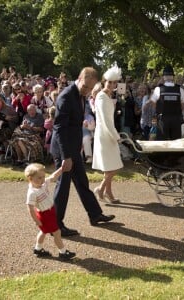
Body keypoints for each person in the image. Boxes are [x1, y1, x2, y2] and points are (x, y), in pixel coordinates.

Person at [50, 67, 115, 237]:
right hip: (64, 150)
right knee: (63, 188)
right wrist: (66, 157)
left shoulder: (80, 95)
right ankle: (56, 225)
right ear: (79, 78)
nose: (86, 91)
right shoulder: (66, 96)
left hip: (72, 148)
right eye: (85, 87)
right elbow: (59, 128)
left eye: (89, 88)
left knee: (82, 182)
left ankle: (95, 214)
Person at [24, 163, 76, 260]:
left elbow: (52, 177)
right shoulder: (32, 193)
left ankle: (38, 249)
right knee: (57, 232)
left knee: (43, 232)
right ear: (30, 178)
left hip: (50, 211)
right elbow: (30, 208)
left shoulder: (42, 184)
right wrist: (36, 221)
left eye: (43, 176)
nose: (42, 179)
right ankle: (63, 252)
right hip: (44, 215)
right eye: (39, 178)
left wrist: (61, 169)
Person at [92, 65, 123, 204]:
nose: (111, 84)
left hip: (107, 133)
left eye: (114, 82)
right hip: (105, 135)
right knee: (114, 166)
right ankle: (101, 189)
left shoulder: (107, 96)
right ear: (105, 81)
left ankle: (108, 192)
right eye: (109, 82)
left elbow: (108, 117)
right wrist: (116, 136)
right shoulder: (102, 96)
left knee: (110, 167)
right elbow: (105, 121)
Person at [150, 65, 184, 140]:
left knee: (162, 141)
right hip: (176, 118)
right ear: (173, 77)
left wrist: (158, 111)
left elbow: (153, 102)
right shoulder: (179, 89)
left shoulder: (158, 89)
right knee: (176, 141)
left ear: (164, 77)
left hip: (162, 119)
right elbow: (183, 104)